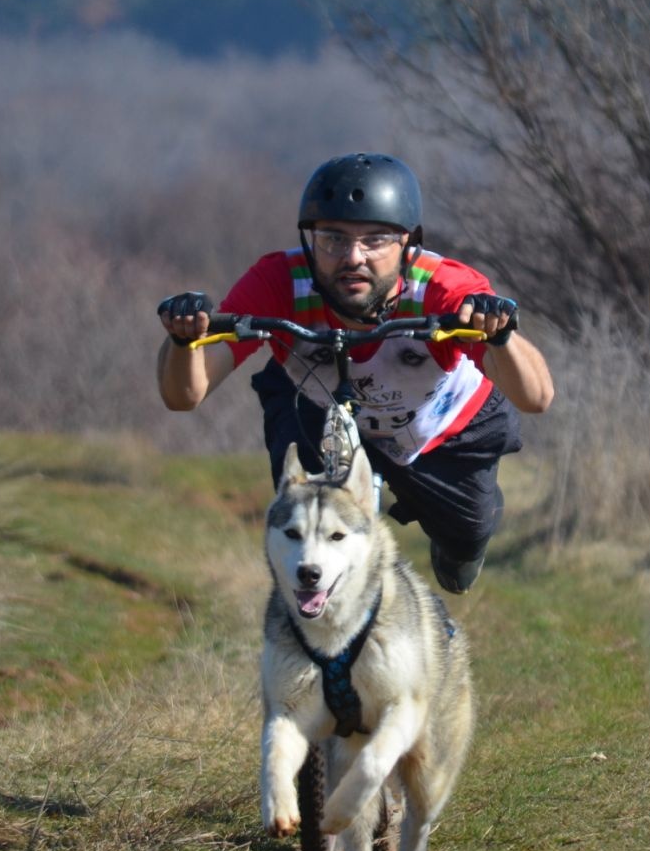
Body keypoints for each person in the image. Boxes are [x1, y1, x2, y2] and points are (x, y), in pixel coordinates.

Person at [157, 152, 553, 594]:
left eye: (376, 240)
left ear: (408, 244)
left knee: (464, 547)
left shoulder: (444, 289)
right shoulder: (279, 282)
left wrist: (498, 337)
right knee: (303, 522)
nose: (353, 258)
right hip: (321, 412)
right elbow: (184, 395)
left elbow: (537, 397)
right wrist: (182, 340)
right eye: (333, 240)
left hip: (444, 431)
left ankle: (458, 542)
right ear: (310, 242)